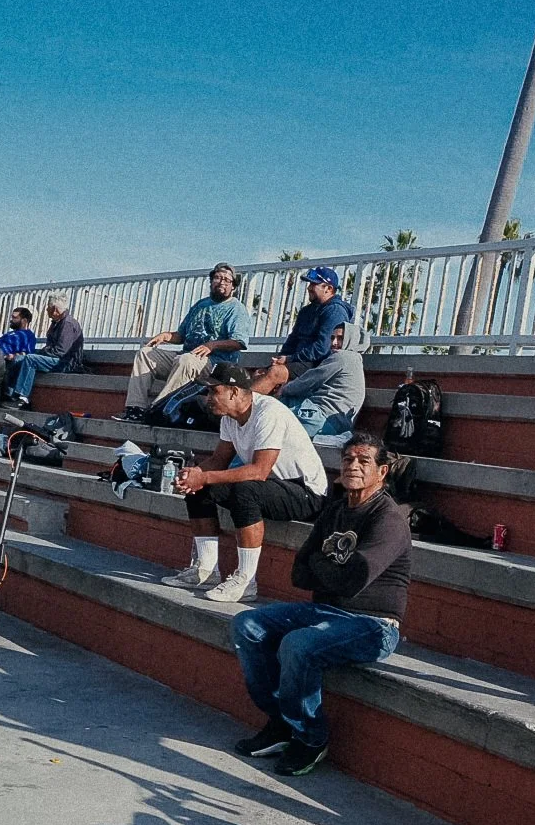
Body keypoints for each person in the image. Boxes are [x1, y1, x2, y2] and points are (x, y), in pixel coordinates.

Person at [231, 432, 411, 777]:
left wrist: (321, 566)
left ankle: (310, 737)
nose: (353, 466)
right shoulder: (335, 511)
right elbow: (299, 572)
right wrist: (329, 570)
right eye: (348, 459)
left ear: (382, 472)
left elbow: (355, 579)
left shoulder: (388, 519)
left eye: (364, 461)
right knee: (247, 625)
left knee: (298, 644)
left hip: (373, 625)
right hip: (325, 611)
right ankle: (282, 723)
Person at [163, 362, 329, 602]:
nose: (208, 398)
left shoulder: (268, 412)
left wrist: (204, 476)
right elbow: (219, 460)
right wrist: (193, 475)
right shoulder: (229, 417)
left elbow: (259, 471)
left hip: (306, 493)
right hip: (271, 487)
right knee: (198, 488)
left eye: (214, 391)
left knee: (245, 489)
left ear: (234, 392)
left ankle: (246, 581)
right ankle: (205, 571)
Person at [115, 263, 252, 423]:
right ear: (211, 281)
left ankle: (159, 411)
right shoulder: (200, 305)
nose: (221, 282)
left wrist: (212, 345)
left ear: (233, 286)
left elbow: (239, 342)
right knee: (145, 354)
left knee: (186, 360)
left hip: (214, 365)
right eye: (217, 278)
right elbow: (181, 335)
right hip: (186, 358)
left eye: (227, 280)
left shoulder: (236, 309)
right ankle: (135, 409)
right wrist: (166, 336)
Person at [253, 266, 352, 393]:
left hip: (318, 365)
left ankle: (243, 404)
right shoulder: (306, 311)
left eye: (314, 284)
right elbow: (292, 339)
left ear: (328, 289)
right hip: (299, 361)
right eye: (310, 284)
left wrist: (289, 359)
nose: (309, 288)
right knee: (259, 374)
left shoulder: (335, 311)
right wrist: (280, 359)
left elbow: (322, 348)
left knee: (275, 373)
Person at [273, 321, 366, 438]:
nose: (334, 343)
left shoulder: (342, 356)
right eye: (332, 338)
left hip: (321, 418)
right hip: (335, 422)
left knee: (270, 418)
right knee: (284, 403)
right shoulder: (355, 360)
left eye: (340, 338)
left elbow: (309, 381)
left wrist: (285, 388)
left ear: (351, 339)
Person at [4, 295, 82, 409]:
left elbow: (60, 351)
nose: (46, 310)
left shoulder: (67, 324)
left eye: (48, 307)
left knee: (30, 359)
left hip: (66, 362)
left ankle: (22, 399)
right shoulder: (57, 322)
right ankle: (10, 394)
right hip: (55, 357)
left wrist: (41, 353)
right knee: (19, 358)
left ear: (54, 309)